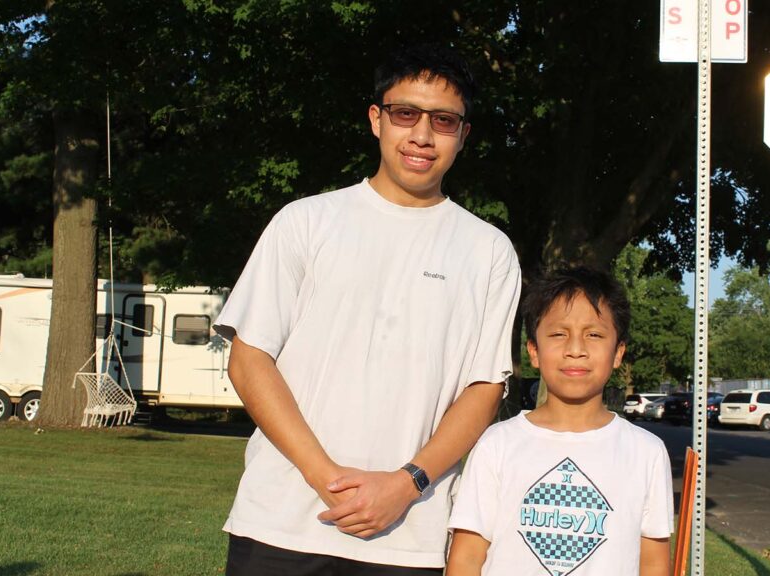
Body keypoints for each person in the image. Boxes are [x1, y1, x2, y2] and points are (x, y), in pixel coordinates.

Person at [214, 44, 521, 575]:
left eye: (444, 121)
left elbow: (484, 389)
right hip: (280, 525)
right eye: (406, 113)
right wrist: (325, 477)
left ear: (463, 134)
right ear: (376, 119)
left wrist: (406, 485)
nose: (422, 136)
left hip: (408, 537)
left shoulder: (489, 251)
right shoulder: (305, 221)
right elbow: (248, 359)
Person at [446, 268, 673, 576]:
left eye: (593, 334)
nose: (576, 350)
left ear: (618, 352)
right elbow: (467, 558)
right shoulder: (496, 444)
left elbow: (654, 562)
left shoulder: (648, 452)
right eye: (558, 334)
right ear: (534, 351)